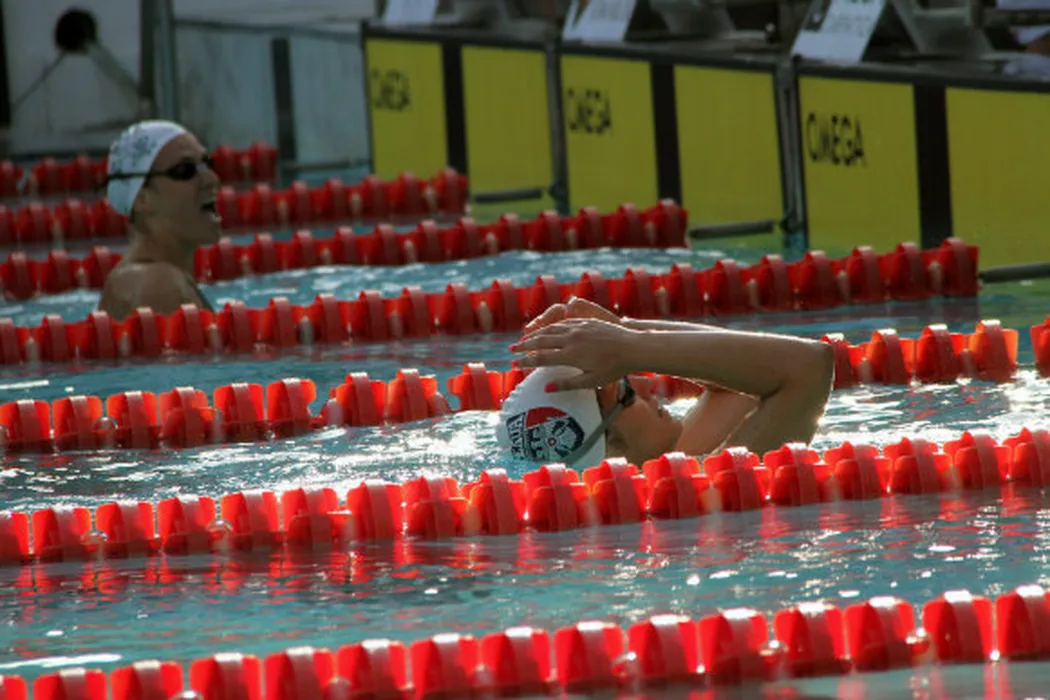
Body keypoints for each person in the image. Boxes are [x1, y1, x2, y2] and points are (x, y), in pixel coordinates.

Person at [497, 298, 834, 469]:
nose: (646, 388)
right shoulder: (711, 483)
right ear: (613, 451)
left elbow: (732, 386)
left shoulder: (678, 457)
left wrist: (622, 331)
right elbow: (810, 365)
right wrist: (632, 347)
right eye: (627, 394)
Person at [98, 120, 222, 321]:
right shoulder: (159, 287)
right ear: (142, 198)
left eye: (207, 164)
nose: (211, 179)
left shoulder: (155, 277)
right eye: (185, 170)